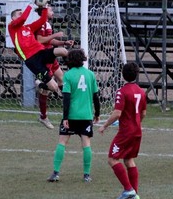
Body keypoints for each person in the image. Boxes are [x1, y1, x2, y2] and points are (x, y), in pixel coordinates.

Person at [47, 49, 100, 183]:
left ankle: (55, 173)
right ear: (82, 59)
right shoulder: (90, 75)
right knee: (86, 144)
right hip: (86, 115)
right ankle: (87, 175)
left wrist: (65, 117)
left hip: (71, 116)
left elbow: (66, 98)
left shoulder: (68, 76)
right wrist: (97, 113)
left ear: (70, 60)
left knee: (62, 142)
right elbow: (96, 97)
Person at [98, 62, 147, 199]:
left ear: (123, 75)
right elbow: (143, 113)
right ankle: (135, 195)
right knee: (129, 160)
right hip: (137, 130)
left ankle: (128, 189)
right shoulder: (141, 92)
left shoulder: (122, 91)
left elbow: (117, 113)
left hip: (126, 132)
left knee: (112, 159)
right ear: (136, 75)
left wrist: (105, 125)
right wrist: (136, 123)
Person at [7, 0, 68, 96]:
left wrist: (44, 7)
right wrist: (31, 4)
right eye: (19, 14)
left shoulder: (28, 28)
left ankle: (75, 68)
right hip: (32, 60)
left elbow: (43, 20)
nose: (22, 15)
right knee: (54, 87)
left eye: (22, 13)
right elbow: (22, 19)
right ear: (13, 18)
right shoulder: (12, 27)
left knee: (63, 51)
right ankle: (40, 85)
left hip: (41, 52)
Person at [34, 5, 74, 129]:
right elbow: (40, 40)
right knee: (48, 88)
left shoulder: (46, 24)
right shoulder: (40, 24)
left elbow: (49, 41)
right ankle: (43, 116)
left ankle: (70, 109)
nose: (53, 12)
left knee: (62, 78)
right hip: (44, 57)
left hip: (51, 56)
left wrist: (63, 42)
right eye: (51, 10)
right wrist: (55, 35)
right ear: (44, 12)